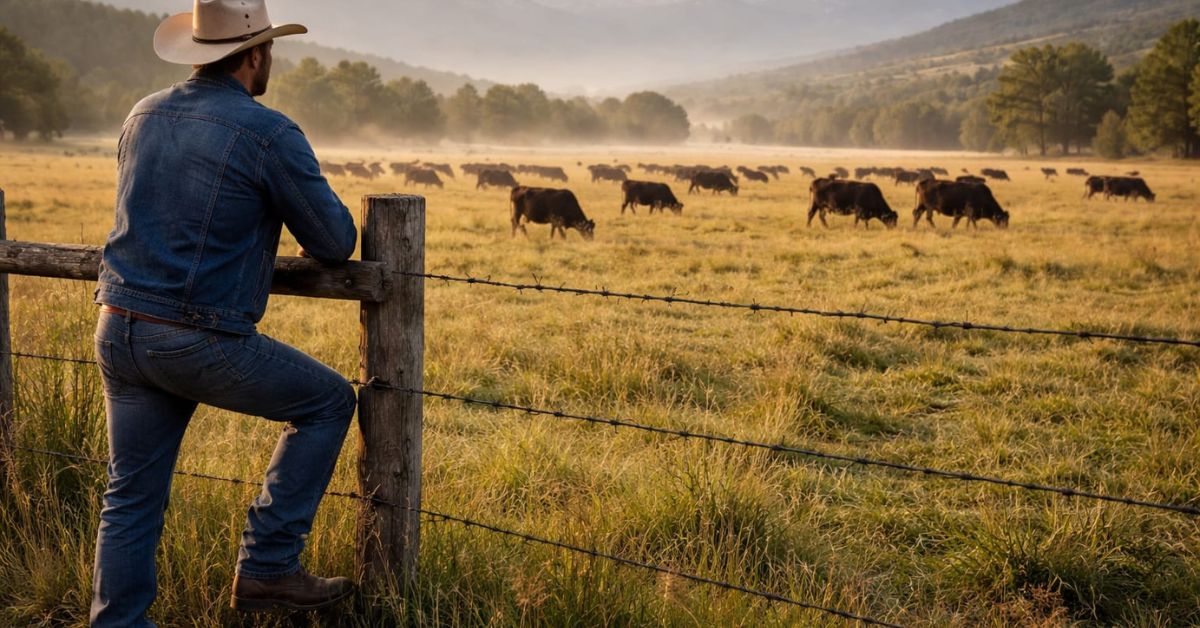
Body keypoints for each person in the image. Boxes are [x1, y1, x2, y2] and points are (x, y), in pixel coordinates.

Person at [90, 1, 358, 625]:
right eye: (270, 52)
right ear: (257, 54)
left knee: (129, 494)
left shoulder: (142, 113)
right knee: (327, 402)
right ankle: (267, 566)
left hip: (117, 324)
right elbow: (334, 241)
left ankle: (117, 622)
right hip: (192, 335)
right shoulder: (267, 132)